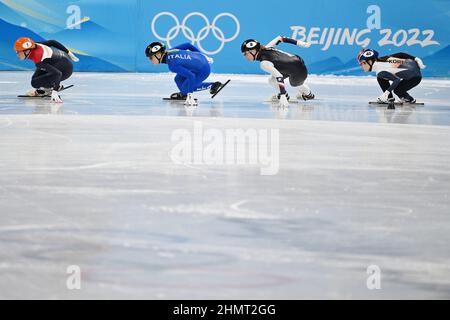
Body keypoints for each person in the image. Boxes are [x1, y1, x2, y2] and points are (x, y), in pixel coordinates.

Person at [241, 36, 315, 107]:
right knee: (271, 80)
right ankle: (286, 95)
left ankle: (309, 95)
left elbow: (279, 76)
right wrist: (300, 43)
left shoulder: (264, 63)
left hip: (299, 70)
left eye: (245, 53)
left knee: (295, 84)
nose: (244, 56)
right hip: (296, 61)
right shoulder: (268, 47)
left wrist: (282, 95)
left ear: (253, 51)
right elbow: (280, 38)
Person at [145, 42, 226, 106]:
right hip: (199, 61)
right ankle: (184, 94)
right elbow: (188, 45)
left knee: (188, 87)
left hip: (203, 70)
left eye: (151, 57)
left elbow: (191, 76)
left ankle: (214, 85)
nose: (150, 60)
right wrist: (202, 55)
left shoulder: (173, 65)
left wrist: (190, 96)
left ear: (159, 55)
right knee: (178, 79)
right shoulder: (171, 51)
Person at [14, 37, 78, 103]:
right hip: (57, 62)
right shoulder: (34, 45)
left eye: (18, 52)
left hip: (65, 70)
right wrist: (68, 52)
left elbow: (58, 74)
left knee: (35, 82)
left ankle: (51, 88)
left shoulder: (39, 60)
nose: (17, 54)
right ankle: (48, 88)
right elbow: (52, 42)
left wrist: (55, 91)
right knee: (35, 80)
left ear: (27, 51)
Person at [357, 48, 426, 104]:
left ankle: (409, 99)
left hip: (414, 78)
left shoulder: (380, 70)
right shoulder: (384, 59)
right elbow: (401, 54)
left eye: (362, 63)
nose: (361, 66)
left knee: (397, 90)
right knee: (381, 78)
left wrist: (385, 94)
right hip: (414, 72)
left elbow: (397, 80)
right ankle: (390, 98)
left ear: (370, 62)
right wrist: (415, 58)